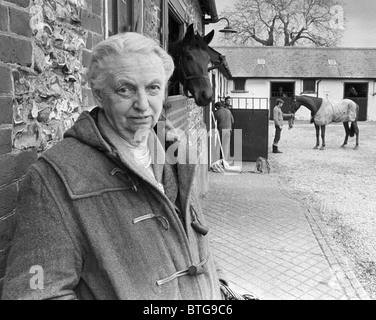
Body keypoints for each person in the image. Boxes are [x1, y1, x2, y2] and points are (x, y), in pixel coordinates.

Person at [2, 32, 228, 300]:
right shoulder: (52, 179)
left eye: (153, 88)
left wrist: (220, 284)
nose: (143, 106)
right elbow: (35, 290)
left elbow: (194, 238)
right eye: (125, 89)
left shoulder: (178, 156)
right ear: (99, 94)